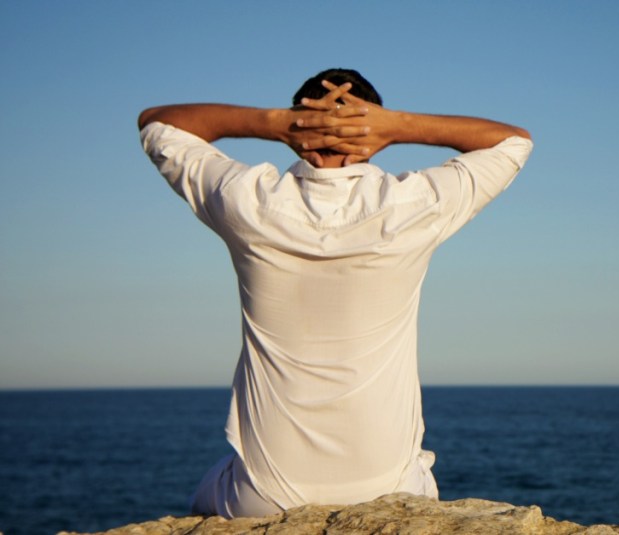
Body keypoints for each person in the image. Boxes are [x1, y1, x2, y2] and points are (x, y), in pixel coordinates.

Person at [138, 68, 532, 518]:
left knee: (205, 492)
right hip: (388, 489)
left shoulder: (247, 200)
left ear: (297, 128)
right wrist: (396, 126)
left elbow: (158, 122)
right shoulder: (415, 203)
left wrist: (275, 125)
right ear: (374, 129)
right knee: (422, 477)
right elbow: (513, 142)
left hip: (266, 499)